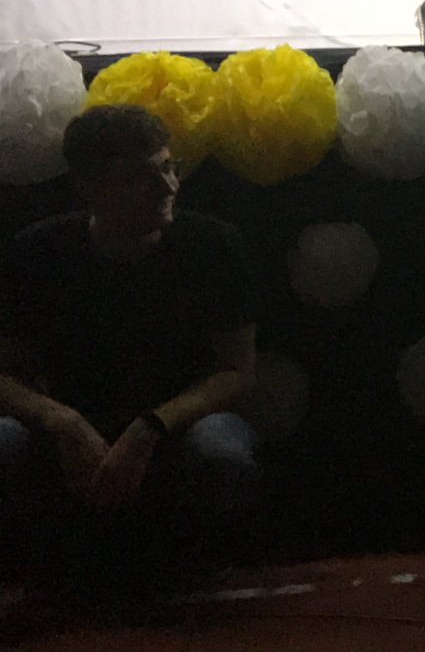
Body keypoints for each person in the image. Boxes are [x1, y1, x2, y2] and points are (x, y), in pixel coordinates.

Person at [0, 105, 260, 584]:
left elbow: (237, 370)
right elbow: (5, 375)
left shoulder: (214, 246)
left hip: (178, 424)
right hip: (71, 428)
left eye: (169, 168)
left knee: (220, 449)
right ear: (90, 189)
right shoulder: (39, 252)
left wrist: (151, 427)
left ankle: (200, 583)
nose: (168, 188)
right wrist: (61, 421)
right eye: (142, 178)